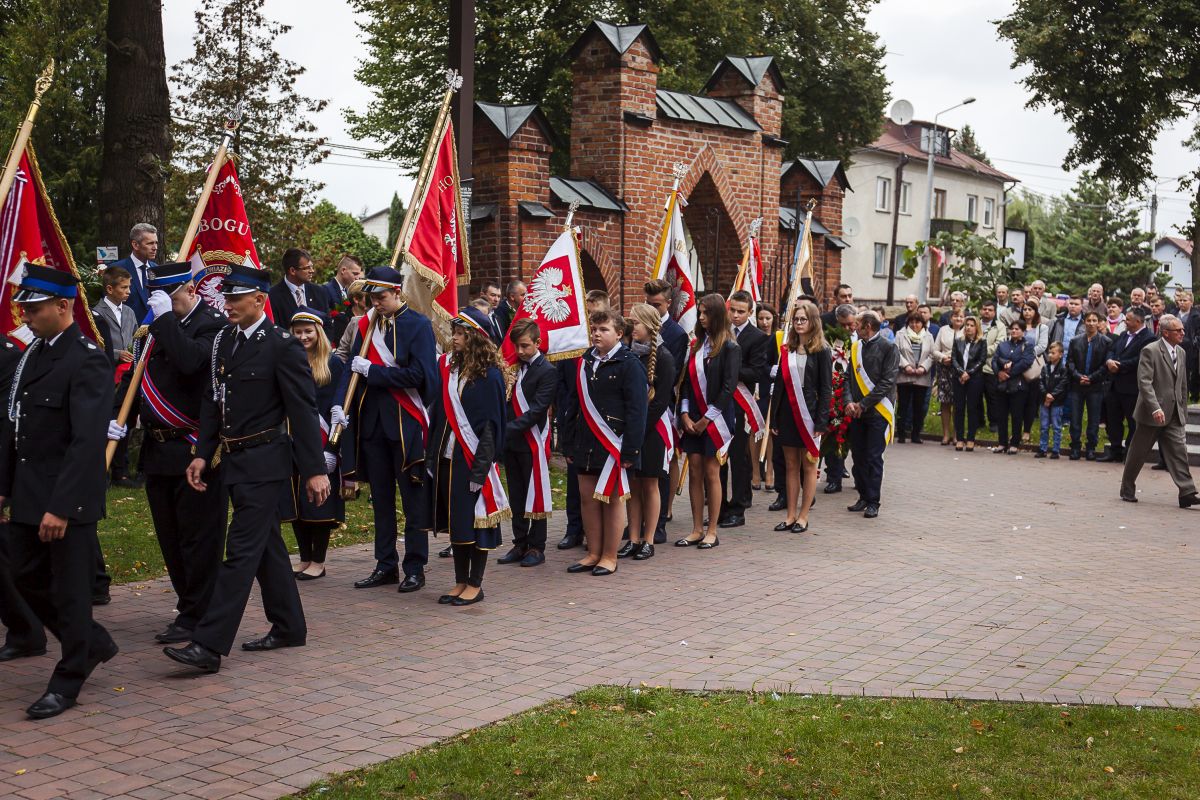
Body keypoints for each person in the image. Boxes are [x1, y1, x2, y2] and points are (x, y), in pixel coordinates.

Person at [164, 263, 328, 675]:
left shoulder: (281, 346)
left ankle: (208, 644)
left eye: (236, 298)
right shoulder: (225, 341)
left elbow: (302, 410)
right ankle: (289, 626)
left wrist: (314, 469)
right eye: (227, 297)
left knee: (239, 553)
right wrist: (203, 452)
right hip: (235, 460)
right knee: (266, 547)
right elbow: (213, 400)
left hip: (266, 461)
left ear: (259, 300)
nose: (229, 304)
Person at [0, 265, 117, 719]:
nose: (25, 315)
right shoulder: (34, 353)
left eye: (34, 308)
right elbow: (16, 428)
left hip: (68, 498)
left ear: (64, 306)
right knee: (23, 575)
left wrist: (63, 507)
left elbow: (86, 442)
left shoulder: (87, 358)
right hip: (29, 492)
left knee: (70, 592)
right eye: (24, 307)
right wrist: (4, 488)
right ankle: (91, 641)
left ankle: (68, 680)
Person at [107, 262, 228, 645]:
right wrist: (115, 419)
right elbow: (133, 379)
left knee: (198, 540)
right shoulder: (153, 331)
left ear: (190, 291)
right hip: (158, 452)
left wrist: (163, 322)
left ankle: (197, 615)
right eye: (157, 298)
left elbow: (192, 362)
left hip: (193, 448)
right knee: (171, 539)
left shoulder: (212, 326)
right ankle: (188, 604)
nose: (161, 304)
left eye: (169, 297)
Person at [334, 266, 437, 592]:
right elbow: (351, 369)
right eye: (372, 298)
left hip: (405, 424)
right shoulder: (366, 326)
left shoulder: (418, 325)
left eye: (381, 297)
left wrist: (374, 372)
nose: (375, 303)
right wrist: (339, 404)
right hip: (372, 425)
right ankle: (385, 564)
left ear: (397, 292)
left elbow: (420, 375)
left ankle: (415, 567)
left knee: (413, 500)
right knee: (381, 501)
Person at [429, 307, 511, 605]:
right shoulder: (451, 371)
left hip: (472, 460)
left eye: (462, 334)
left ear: (476, 338)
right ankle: (460, 580)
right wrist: (432, 456)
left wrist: (480, 469)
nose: (455, 338)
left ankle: (475, 584)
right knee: (457, 524)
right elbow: (439, 417)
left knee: (477, 523)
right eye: (455, 332)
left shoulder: (490, 376)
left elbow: (491, 428)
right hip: (448, 457)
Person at [565, 308, 647, 575]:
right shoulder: (585, 360)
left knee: (612, 500)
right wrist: (568, 441)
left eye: (604, 329)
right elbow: (573, 403)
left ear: (619, 333)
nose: (597, 334)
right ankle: (593, 552)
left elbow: (637, 411)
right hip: (585, 440)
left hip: (614, 443)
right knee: (587, 498)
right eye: (594, 329)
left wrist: (631, 450)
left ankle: (609, 556)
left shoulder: (630, 364)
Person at [675, 294, 740, 549]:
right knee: (694, 470)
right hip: (693, 418)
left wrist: (706, 419)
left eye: (706, 313)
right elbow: (686, 384)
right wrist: (684, 414)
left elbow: (728, 387)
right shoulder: (696, 346)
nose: (701, 317)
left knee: (712, 472)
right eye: (699, 312)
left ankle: (712, 530)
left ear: (717, 315)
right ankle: (696, 529)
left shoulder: (730, 347)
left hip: (717, 419)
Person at [285, 308, 345, 581]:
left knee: (318, 503)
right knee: (297, 503)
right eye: (297, 332)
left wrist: (332, 448)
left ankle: (318, 561)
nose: (303, 336)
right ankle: (305, 557)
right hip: (293, 441)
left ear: (318, 333)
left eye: (308, 331)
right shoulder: (288, 361)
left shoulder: (332, 364)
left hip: (322, 442)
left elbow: (339, 410)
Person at [1120, 316, 1199, 507]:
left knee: (1179, 452)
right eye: (1178, 330)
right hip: (1151, 413)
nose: (1182, 333)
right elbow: (1145, 383)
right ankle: (1127, 488)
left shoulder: (1181, 352)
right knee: (1138, 453)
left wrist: (1182, 410)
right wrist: (1155, 407)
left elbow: (1182, 384)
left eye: (1182, 329)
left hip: (1174, 413)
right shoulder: (1150, 350)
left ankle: (1187, 492)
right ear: (1165, 333)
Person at [497, 318, 557, 568]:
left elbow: (536, 410)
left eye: (525, 346)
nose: (520, 351)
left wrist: (504, 431)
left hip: (532, 441)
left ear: (537, 343)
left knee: (536, 493)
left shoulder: (547, 371)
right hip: (512, 443)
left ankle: (536, 546)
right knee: (517, 494)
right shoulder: (513, 367)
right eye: (517, 346)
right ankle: (519, 542)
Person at [768, 300, 831, 533]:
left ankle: (804, 516)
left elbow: (826, 388)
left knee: (809, 465)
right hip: (787, 413)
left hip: (810, 414)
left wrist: (821, 421)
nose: (799, 323)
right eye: (796, 319)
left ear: (813, 321)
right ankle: (790, 515)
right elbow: (779, 387)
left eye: (803, 319)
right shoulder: (787, 350)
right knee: (790, 465)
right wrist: (774, 417)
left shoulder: (822, 350)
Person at [619, 304, 676, 560]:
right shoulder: (628, 354)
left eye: (636, 323)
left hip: (652, 430)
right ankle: (632, 538)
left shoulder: (664, 357)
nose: (632, 327)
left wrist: (639, 429)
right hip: (632, 430)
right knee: (633, 485)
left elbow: (661, 401)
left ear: (651, 326)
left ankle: (649, 539)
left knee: (650, 484)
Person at [718, 290, 768, 529]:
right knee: (719, 457)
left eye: (741, 312)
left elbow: (756, 372)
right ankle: (719, 507)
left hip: (740, 403)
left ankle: (738, 507)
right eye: (733, 310)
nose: (736, 315)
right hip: (719, 402)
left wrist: (729, 371)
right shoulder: (721, 331)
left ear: (750, 312)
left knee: (738, 456)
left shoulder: (757, 337)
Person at [643, 279, 688, 545]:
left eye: (656, 304)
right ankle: (638, 522)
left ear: (668, 304)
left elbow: (670, 376)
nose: (651, 308)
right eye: (647, 303)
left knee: (660, 467)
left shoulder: (676, 334)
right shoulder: (638, 327)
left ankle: (660, 519)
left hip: (662, 408)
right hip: (640, 407)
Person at [845, 311, 898, 519]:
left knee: (874, 457)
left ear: (867, 326)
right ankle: (863, 496)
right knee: (858, 456)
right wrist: (849, 402)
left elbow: (887, 382)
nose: (854, 327)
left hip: (877, 411)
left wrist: (864, 404)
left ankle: (873, 501)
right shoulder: (856, 347)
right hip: (857, 411)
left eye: (857, 323)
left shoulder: (889, 347)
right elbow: (848, 377)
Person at [96, 265, 140, 487]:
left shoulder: (130, 312)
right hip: (108, 375)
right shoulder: (96, 313)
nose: (128, 291)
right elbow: (95, 344)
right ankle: (101, 468)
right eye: (124, 287)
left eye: (129, 287)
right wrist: (116, 354)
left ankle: (120, 471)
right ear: (110, 289)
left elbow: (136, 338)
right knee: (107, 421)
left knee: (125, 422)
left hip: (127, 376)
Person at [1099, 308, 1152, 463]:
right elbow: (1111, 350)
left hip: (1131, 387)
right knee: (1113, 420)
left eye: (1128, 319)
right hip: (1114, 385)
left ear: (1138, 321)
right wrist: (1109, 361)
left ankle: (1130, 452)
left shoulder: (1149, 338)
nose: (1124, 322)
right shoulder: (1123, 335)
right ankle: (1115, 449)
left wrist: (1120, 366)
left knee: (1132, 422)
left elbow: (1141, 360)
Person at [1065, 311, 1112, 461]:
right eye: (1089, 320)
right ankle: (1075, 447)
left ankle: (1091, 448)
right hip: (1077, 385)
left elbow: (1105, 365)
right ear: (1084, 322)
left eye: (1094, 320)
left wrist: (1091, 378)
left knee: (1094, 419)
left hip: (1095, 386)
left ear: (1099, 322)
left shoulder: (1106, 341)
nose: (1091, 323)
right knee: (1075, 418)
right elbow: (1069, 362)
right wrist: (1078, 376)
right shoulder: (1075, 341)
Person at [992, 320, 1035, 455]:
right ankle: (1002, 443)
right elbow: (994, 360)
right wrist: (999, 373)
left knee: (1017, 415)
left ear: (1023, 331)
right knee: (1001, 415)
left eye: (1017, 329)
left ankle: (1015, 443)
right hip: (1002, 385)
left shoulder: (1027, 345)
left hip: (1018, 385)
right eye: (1012, 329)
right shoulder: (1003, 344)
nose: (1014, 331)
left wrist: (1008, 374)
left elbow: (1026, 362)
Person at [269, 248, 331, 339]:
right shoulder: (272, 296)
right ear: (292, 271)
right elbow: (275, 330)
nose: (312, 271)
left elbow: (328, 325)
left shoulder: (319, 292)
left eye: (312, 267)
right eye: (307, 268)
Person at [108, 222, 158, 323]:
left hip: (154, 330)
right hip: (126, 330)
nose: (155, 247)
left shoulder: (157, 269)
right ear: (135, 245)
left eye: (156, 243)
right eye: (150, 243)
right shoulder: (116, 269)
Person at [894, 313, 933, 444]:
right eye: (912, 322)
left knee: (919, 407)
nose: (914, 325)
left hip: (922, 376)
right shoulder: (900, 334)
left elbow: (932, 354)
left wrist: (923, 367)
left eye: (917, 322)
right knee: (903, 406)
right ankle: (901, 434)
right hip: (905, 375)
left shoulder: (929, 336)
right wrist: (905, 366)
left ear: (922, 324)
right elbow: (896, 352)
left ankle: (916, 434)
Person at [754, 302, 780, 492]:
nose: (764, 322)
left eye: (768, 318)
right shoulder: (754, 337)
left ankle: (770, 470)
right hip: (758, 386)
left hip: (773, 387)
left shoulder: (779, 337)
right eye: (761, 318)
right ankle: (756, 471)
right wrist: (768, 370)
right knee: (755, 429)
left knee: (770, 430)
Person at [951, 315, 985, 451]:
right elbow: (954, 358)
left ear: (977, 328)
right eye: (967, 325)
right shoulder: (958, 341)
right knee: (959, 408)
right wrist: (961, 372)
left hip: (974, 378)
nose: (969, 328)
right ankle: (959, 438)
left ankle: (971, 438)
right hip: (959, 378)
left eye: (972, 325)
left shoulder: (981, 342)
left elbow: (981, 360)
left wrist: (968, 373)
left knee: (972, 408)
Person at [932, 309, 963, 446]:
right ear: (951, 318)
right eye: (956, 316)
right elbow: (935, 350)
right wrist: (943, 357)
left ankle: (956, 435)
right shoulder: (943, 330)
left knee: (958, 403)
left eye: (961, 316)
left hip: (960, 370)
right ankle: (945, 435)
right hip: (945, 368)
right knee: (945, 402)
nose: (958, 319)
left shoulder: (967, 330)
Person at [1021, 301, 1049, 444]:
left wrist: (1026, 354)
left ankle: (1027, 430)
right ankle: (1016, 430)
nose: (1027, 312)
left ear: (1035, 312)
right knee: (1018, 401)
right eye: (1025, 309)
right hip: (1018, 366)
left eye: (1030, 309)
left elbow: (1042, 346)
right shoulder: (1018, 326)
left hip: (1034, 367)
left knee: (1031, 400)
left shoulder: (1042, 327)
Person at [1036, 342, 1068, 458]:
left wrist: (1052, 396)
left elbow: (1062, 385)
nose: (1050, 355)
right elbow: (1040, 382)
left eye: (1053, 353)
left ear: (1060, 354)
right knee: (1044, 426)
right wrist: (1046, 395)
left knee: (1056, 426)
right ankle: (1043, 448)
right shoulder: (1045, 367)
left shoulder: (1063, 369)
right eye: (1049, 352)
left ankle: (1055, 450)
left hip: (1057, 402)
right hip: (1044, 401)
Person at [322, 253, 364, 342]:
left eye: (358, 274)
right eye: (355, 274)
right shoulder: (326, 290)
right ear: (343, 270)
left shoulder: (348, 292)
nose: (357, 278)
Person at [334, 287, 369, 362]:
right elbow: (342, 352)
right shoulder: (353, 321)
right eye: (368, 297)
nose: (373, 301)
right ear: (356, 299)